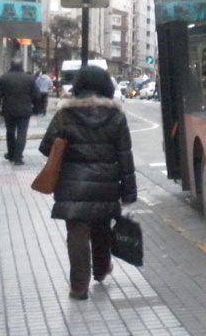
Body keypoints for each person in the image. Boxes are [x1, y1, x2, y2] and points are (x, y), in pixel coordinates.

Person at [38, 65, 137, 301]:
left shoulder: (64, 115)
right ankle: (101, 270)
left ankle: (79, 287)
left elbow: (45, 148)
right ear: (106, 86)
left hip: (73, 184)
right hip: (106, 183)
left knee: (77, 233)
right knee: (102, 227)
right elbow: (125, 155)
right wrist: (129, 191)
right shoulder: (116, 116)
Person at [0, 61, 38, 165]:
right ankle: (18, 157)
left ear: (10, 66)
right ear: (22, 66)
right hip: (25, 110)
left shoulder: (3, 78)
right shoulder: (29, 79)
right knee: (22, 133)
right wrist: (36, 109)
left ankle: (11, 154)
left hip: (8, 110)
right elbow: (37, 95)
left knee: (10, 132)